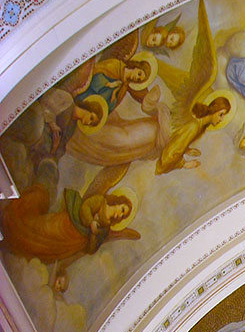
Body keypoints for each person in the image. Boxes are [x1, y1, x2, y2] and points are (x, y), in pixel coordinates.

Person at [1, 185, 136, 268]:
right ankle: (13, 230)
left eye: (124, 216)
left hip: (73, 243)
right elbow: (85, 207)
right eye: (123, 210)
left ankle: (14, 250)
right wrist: (91, 222)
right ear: (119, 202)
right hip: (67, 224)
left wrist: (94, 235)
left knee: (46, 250)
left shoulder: (106, 229)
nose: (120, 215)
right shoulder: (101, 202)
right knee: (40, 229)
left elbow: (91, 249)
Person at [155, 96, 232, 174]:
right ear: (214, 109)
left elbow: (178, 141)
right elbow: (168, 156)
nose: (221, 120)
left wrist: (186, 150)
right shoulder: (194, 127)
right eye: (221, 114)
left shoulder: (201, 126)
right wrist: (185, 164)